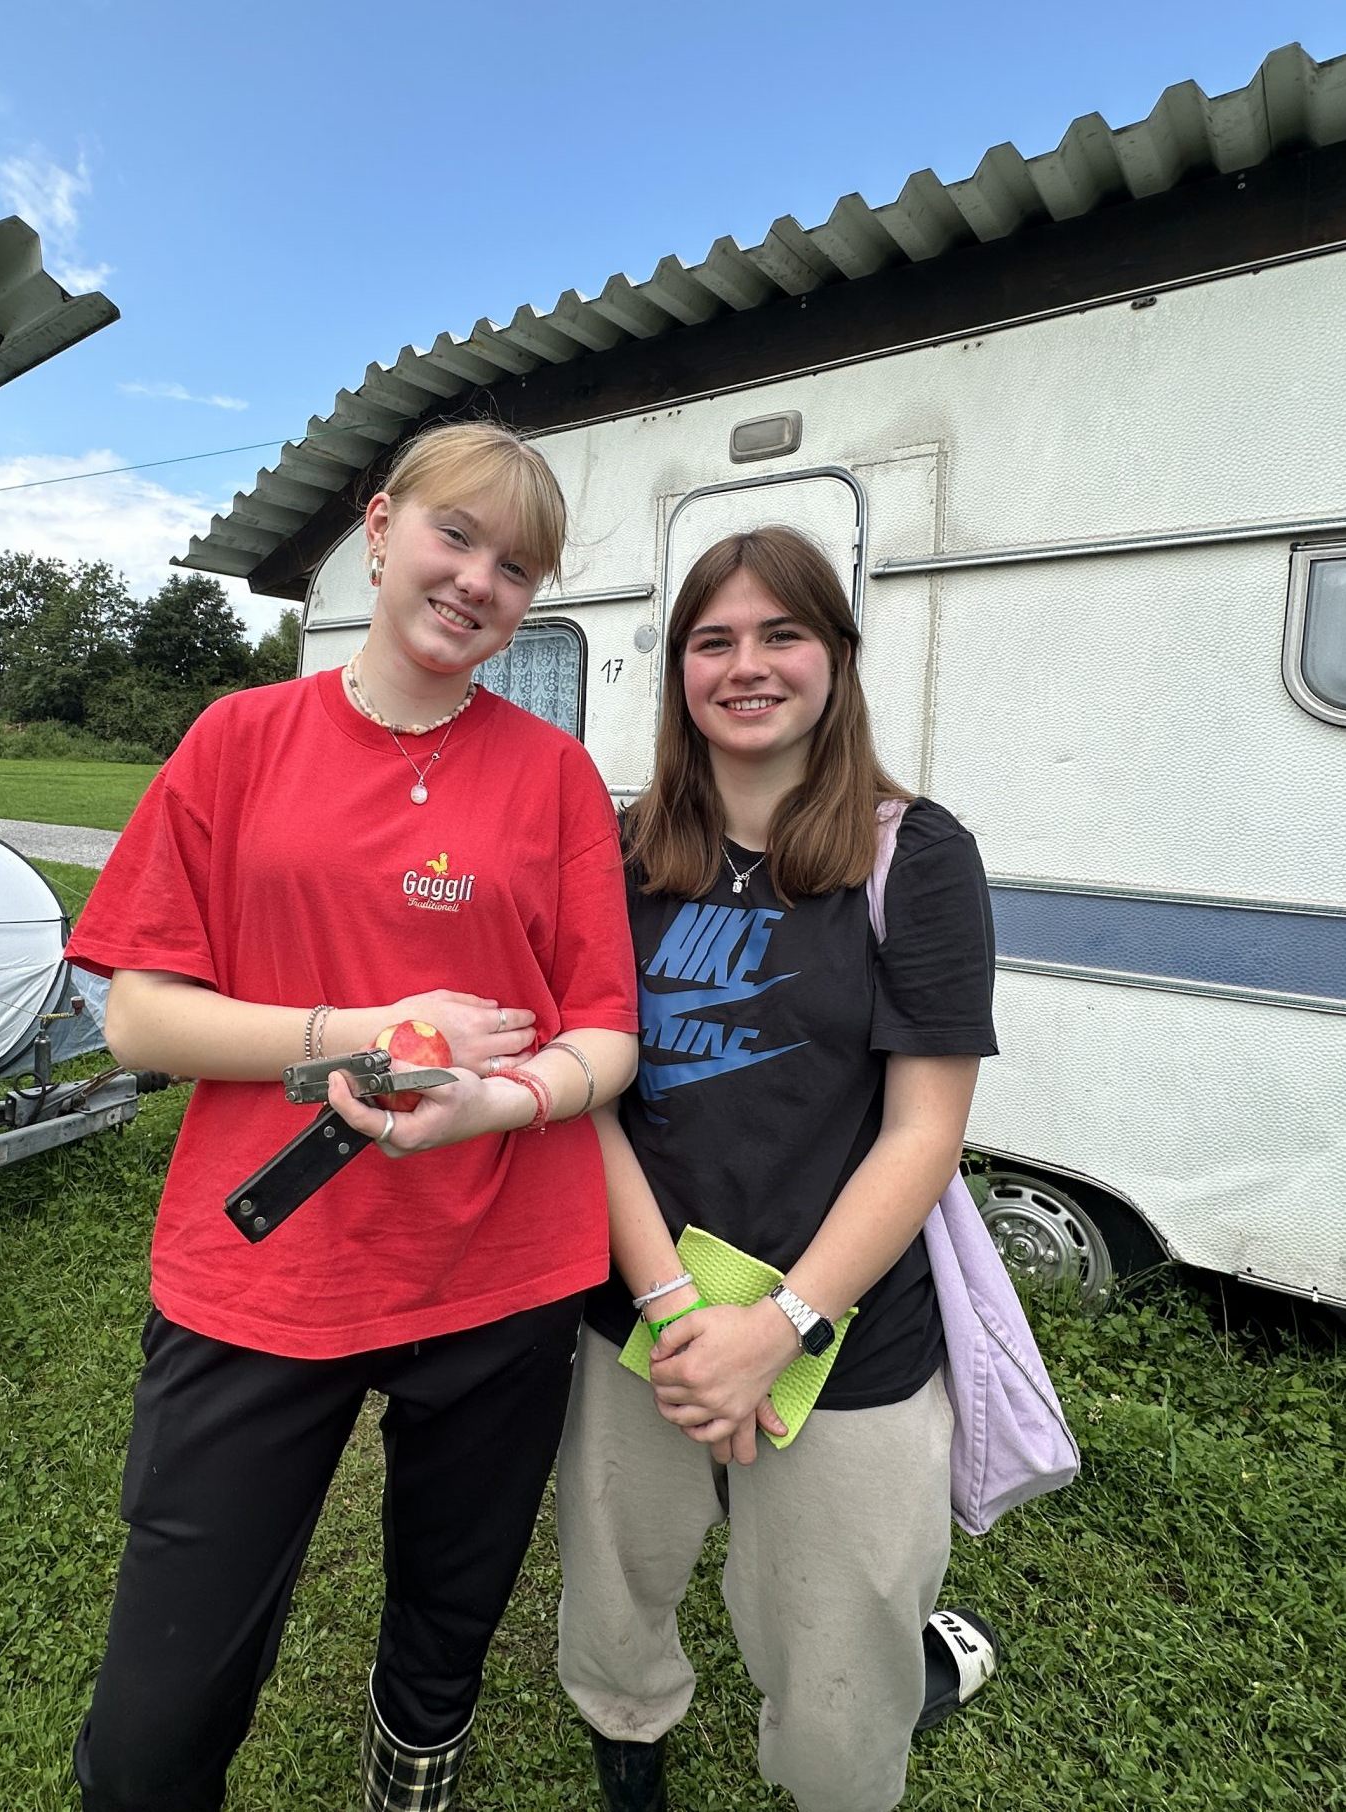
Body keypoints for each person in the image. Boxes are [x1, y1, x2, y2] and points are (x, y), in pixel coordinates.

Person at [64, 420, 640, 1812]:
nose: (479, 581)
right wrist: (365, 1034)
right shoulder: (241, 739)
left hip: (503, 1263)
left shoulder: (556, 775)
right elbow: (139, 1015)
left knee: (448, 1623)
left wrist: (498, 1101)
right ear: (379, 532)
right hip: (267, 1262)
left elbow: (607, 1035)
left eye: (517, 567)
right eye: (457, 535)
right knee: (159, 1711)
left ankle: (410, 1780)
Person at [555, 526, 1000, 1812]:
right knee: (617, 1584)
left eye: (781, 634)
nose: (746, 666)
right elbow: (590, 1103)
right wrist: (674, 1311)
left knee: (842, 1651)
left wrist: (780, 1327)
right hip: (637, 1315)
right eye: (713, 641)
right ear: (680, 671)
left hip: (847, 1335)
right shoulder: (618, 856)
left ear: (836, 657)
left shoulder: (917, 858)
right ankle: (628, 1742)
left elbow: (923, 1135)